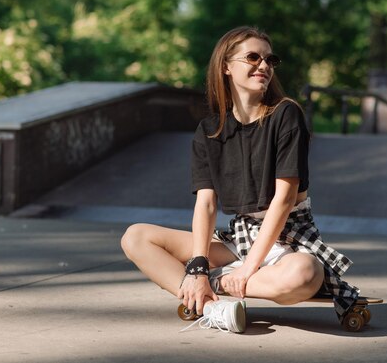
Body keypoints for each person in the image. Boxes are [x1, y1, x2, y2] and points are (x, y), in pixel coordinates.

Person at [121, 26, 359, 333]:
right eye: (253, 57)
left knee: (304, 274)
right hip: (239, 239)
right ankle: (213, 308)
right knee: (136, 237)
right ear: (226, 66)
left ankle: (210, 285)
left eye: (270, 60)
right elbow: (206, 205)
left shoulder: (286, 114)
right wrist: (197, 264)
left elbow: (284, 200)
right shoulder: (209, 131)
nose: (264, 66)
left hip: (286, 239)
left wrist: (244, 271)